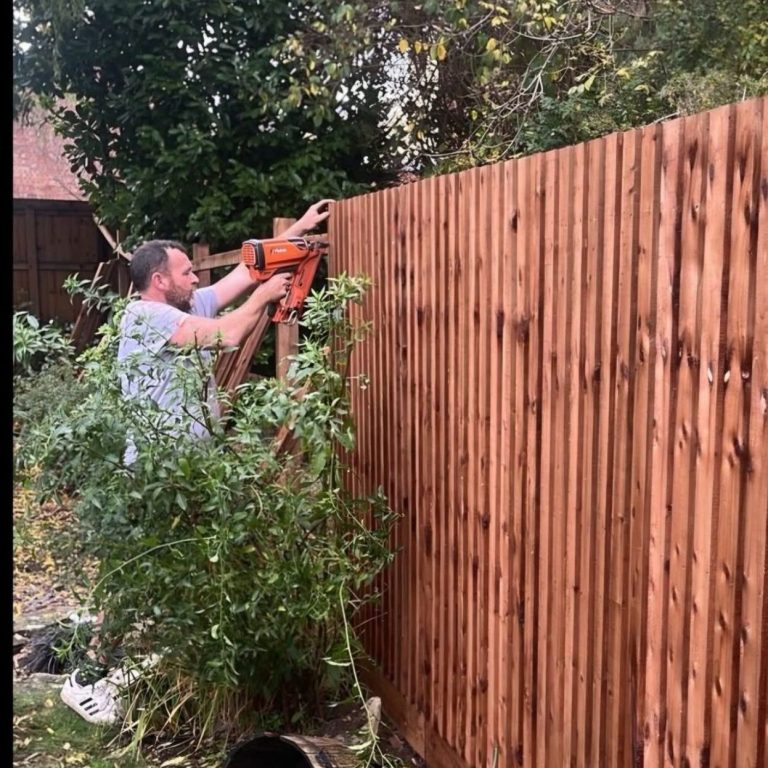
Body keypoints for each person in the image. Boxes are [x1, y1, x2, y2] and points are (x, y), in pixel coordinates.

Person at [59, 199, 334, 725]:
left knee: (180, 570)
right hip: (156, 474)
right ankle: (85, 677)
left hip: (188, 469)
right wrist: (265, 297)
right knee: (136, 577)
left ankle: (149, 670)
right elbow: (227, 334)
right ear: (161, 279)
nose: (195, 276)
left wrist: (297, 232)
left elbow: (239, 275)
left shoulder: (184, 304)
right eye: (186, 270)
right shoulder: (145, 317)